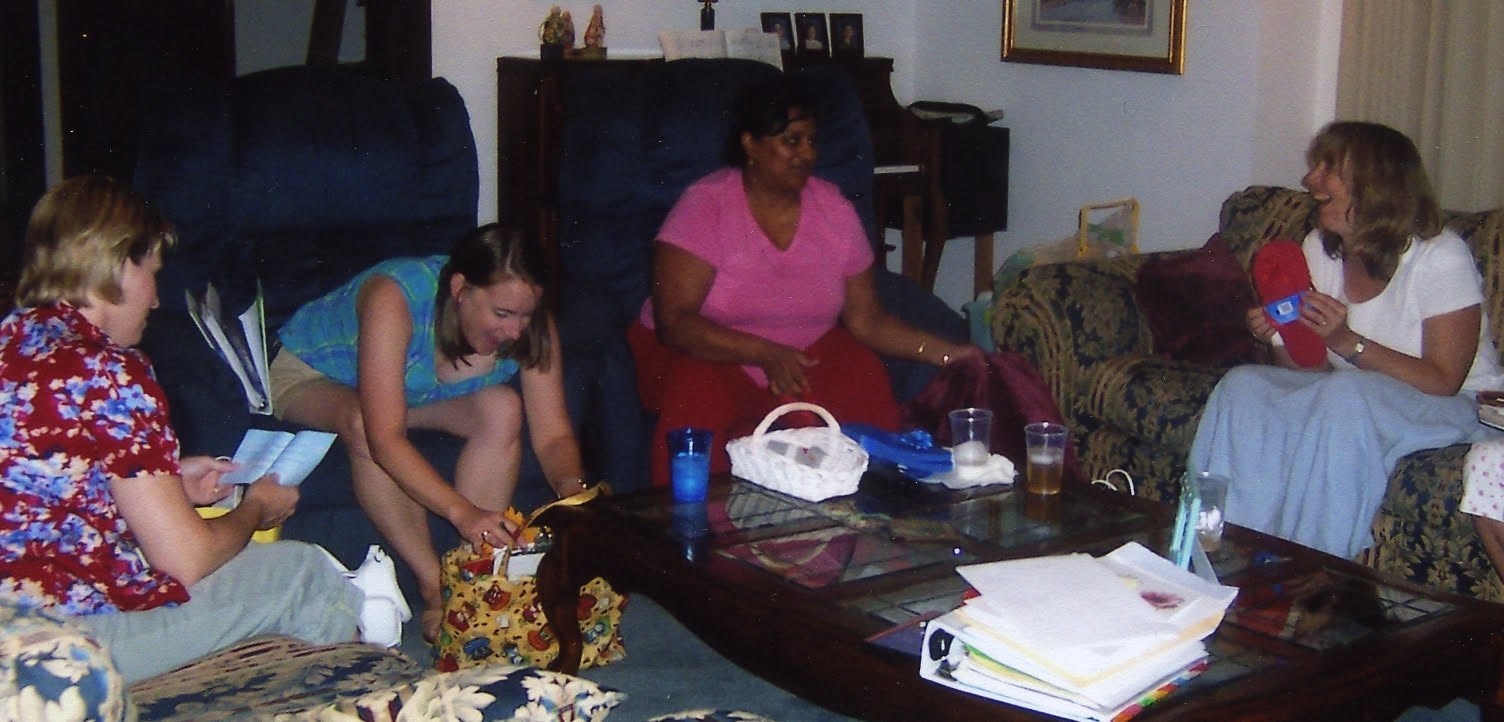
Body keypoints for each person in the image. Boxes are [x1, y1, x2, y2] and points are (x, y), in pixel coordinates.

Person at [0, 175, 361, 683]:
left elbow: (47, 489)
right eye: (152, 272)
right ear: (119, 264)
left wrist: (168, 481)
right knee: (302, 572)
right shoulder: (110, 370)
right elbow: (186, 561)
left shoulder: (13, 339)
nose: (154, 299)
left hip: (13, 613)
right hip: (59, 645)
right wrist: (256, 509)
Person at [628, 76, 982, 489]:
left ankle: (875, 506)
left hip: (803, 350)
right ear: (750, 144)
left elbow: (867, 318)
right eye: (792, 141)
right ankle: (689, 516)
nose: (808, 154)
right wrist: (763, 353)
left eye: (812, 141)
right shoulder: (706, 206)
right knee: (698, 391)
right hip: (702, 347)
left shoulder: (832, 209)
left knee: (862, 376)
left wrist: (949, 354)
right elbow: (675, 322)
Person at [1189, 121, 1504, 559]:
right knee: (1244, 385)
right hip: (1357, 399)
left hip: (1462, 408)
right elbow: (1311, 374)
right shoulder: (1319, 248)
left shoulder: (1439, 255)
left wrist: (1345, 340)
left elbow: (1444, 380)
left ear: (1373, 182)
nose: (1309, 179)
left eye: (1327, 168)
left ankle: (1309, 567)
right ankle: (1216, 549)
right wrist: (1283, 336)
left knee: (1346, 395)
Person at [271, 223, 585, 641]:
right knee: (363, 422)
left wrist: (575, 496)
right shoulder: (394, 296)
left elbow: (553, 436)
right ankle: (436, 586)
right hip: (314, 378)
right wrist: (462, 512)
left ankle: (474, 574)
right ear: (460, 289)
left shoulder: (527, 327)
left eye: (526, 315)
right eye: (503, 314)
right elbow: (385, 438)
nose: (515, 331)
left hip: (409, 392)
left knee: (503, 408)